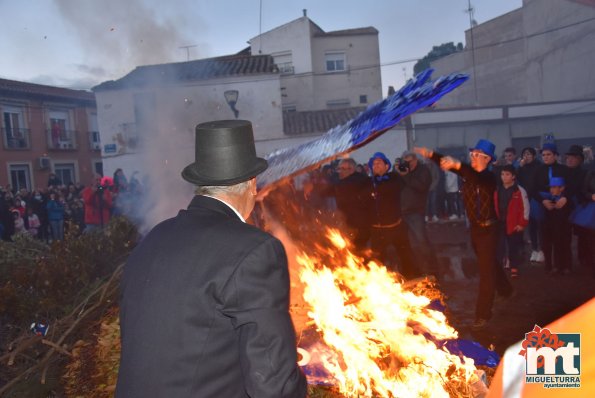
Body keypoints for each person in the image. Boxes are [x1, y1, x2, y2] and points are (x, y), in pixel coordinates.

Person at [116, 120, 307, 398]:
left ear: (201, 184)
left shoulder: (155, 237)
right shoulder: (255, 250)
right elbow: (273, 383)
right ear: (252, 185)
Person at [416, 139, 513, 330]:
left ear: (488, 159)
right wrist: (431, 155)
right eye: (473, 154)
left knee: (486, 273)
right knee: (489, 262)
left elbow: (473, 175)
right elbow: (455, 167)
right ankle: (506, 290)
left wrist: (458, 165)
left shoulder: (489, 177)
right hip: (476, 229)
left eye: (478, 155)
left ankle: (483, 314)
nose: (473, 157)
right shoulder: (467, 174)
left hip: (490, 230)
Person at [366, 152, 421, 280]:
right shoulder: (368, 183)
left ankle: (412, 278)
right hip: (377, 230)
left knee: (406, 255)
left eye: (379, 162)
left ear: (387, 166)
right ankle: (380, 284)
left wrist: (402, 171)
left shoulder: (394, 178)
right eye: (374, 163)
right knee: (377, 261)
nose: (376, 165)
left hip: (396, 227)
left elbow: (404, 182)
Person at [398, 150, 440, 277]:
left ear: (415, 160)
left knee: (422, 241)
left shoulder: (423, 171)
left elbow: (421, 186)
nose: (407, 164)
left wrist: (406, 175)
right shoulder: (402, 171)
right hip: (402, 211)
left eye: (409, 161)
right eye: (404, 161)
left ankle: (433, 270)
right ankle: (415, 270)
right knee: (408, 243)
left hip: (416, 211)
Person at [494, 165, 529, 277]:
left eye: (507, 174)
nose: (504, 177)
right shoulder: (497, 189)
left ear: (513, 176)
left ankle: (514, 267)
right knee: (499, 247)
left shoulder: (519, 191)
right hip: (500, 223)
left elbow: (526, 208)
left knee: (514, 246)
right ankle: (499, 267)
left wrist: (522, 223)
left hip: (514, 224)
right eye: (502, 174)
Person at [332, 158, 372, 251]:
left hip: (359, 224)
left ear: (351, 169)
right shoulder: (342, 182)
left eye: (343, 169)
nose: (340, 171)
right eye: (339, 168)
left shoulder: (357, 182)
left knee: (359, 250)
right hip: (350, 222)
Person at [540, 177, 573, 274]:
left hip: (565, 227)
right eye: (551, 187)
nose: (551, 190)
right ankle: (557, 266)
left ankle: (567, 266)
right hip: (552, 227)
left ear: (562, 188)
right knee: (556, 245)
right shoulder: (549, 199)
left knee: (566, 245)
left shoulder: (567, 200)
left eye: (554, 187)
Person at [517, 147, 543, 263]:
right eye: (524, 154)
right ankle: (534, 249)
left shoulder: (539, 166)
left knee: (541, 225)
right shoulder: (522, 168)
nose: (526, 156)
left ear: (533, 155)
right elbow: (516, 179)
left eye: (528, 154)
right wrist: (520, 167)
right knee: (531, 225)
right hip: (527, 199)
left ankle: (542, 250)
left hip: (538, 198)